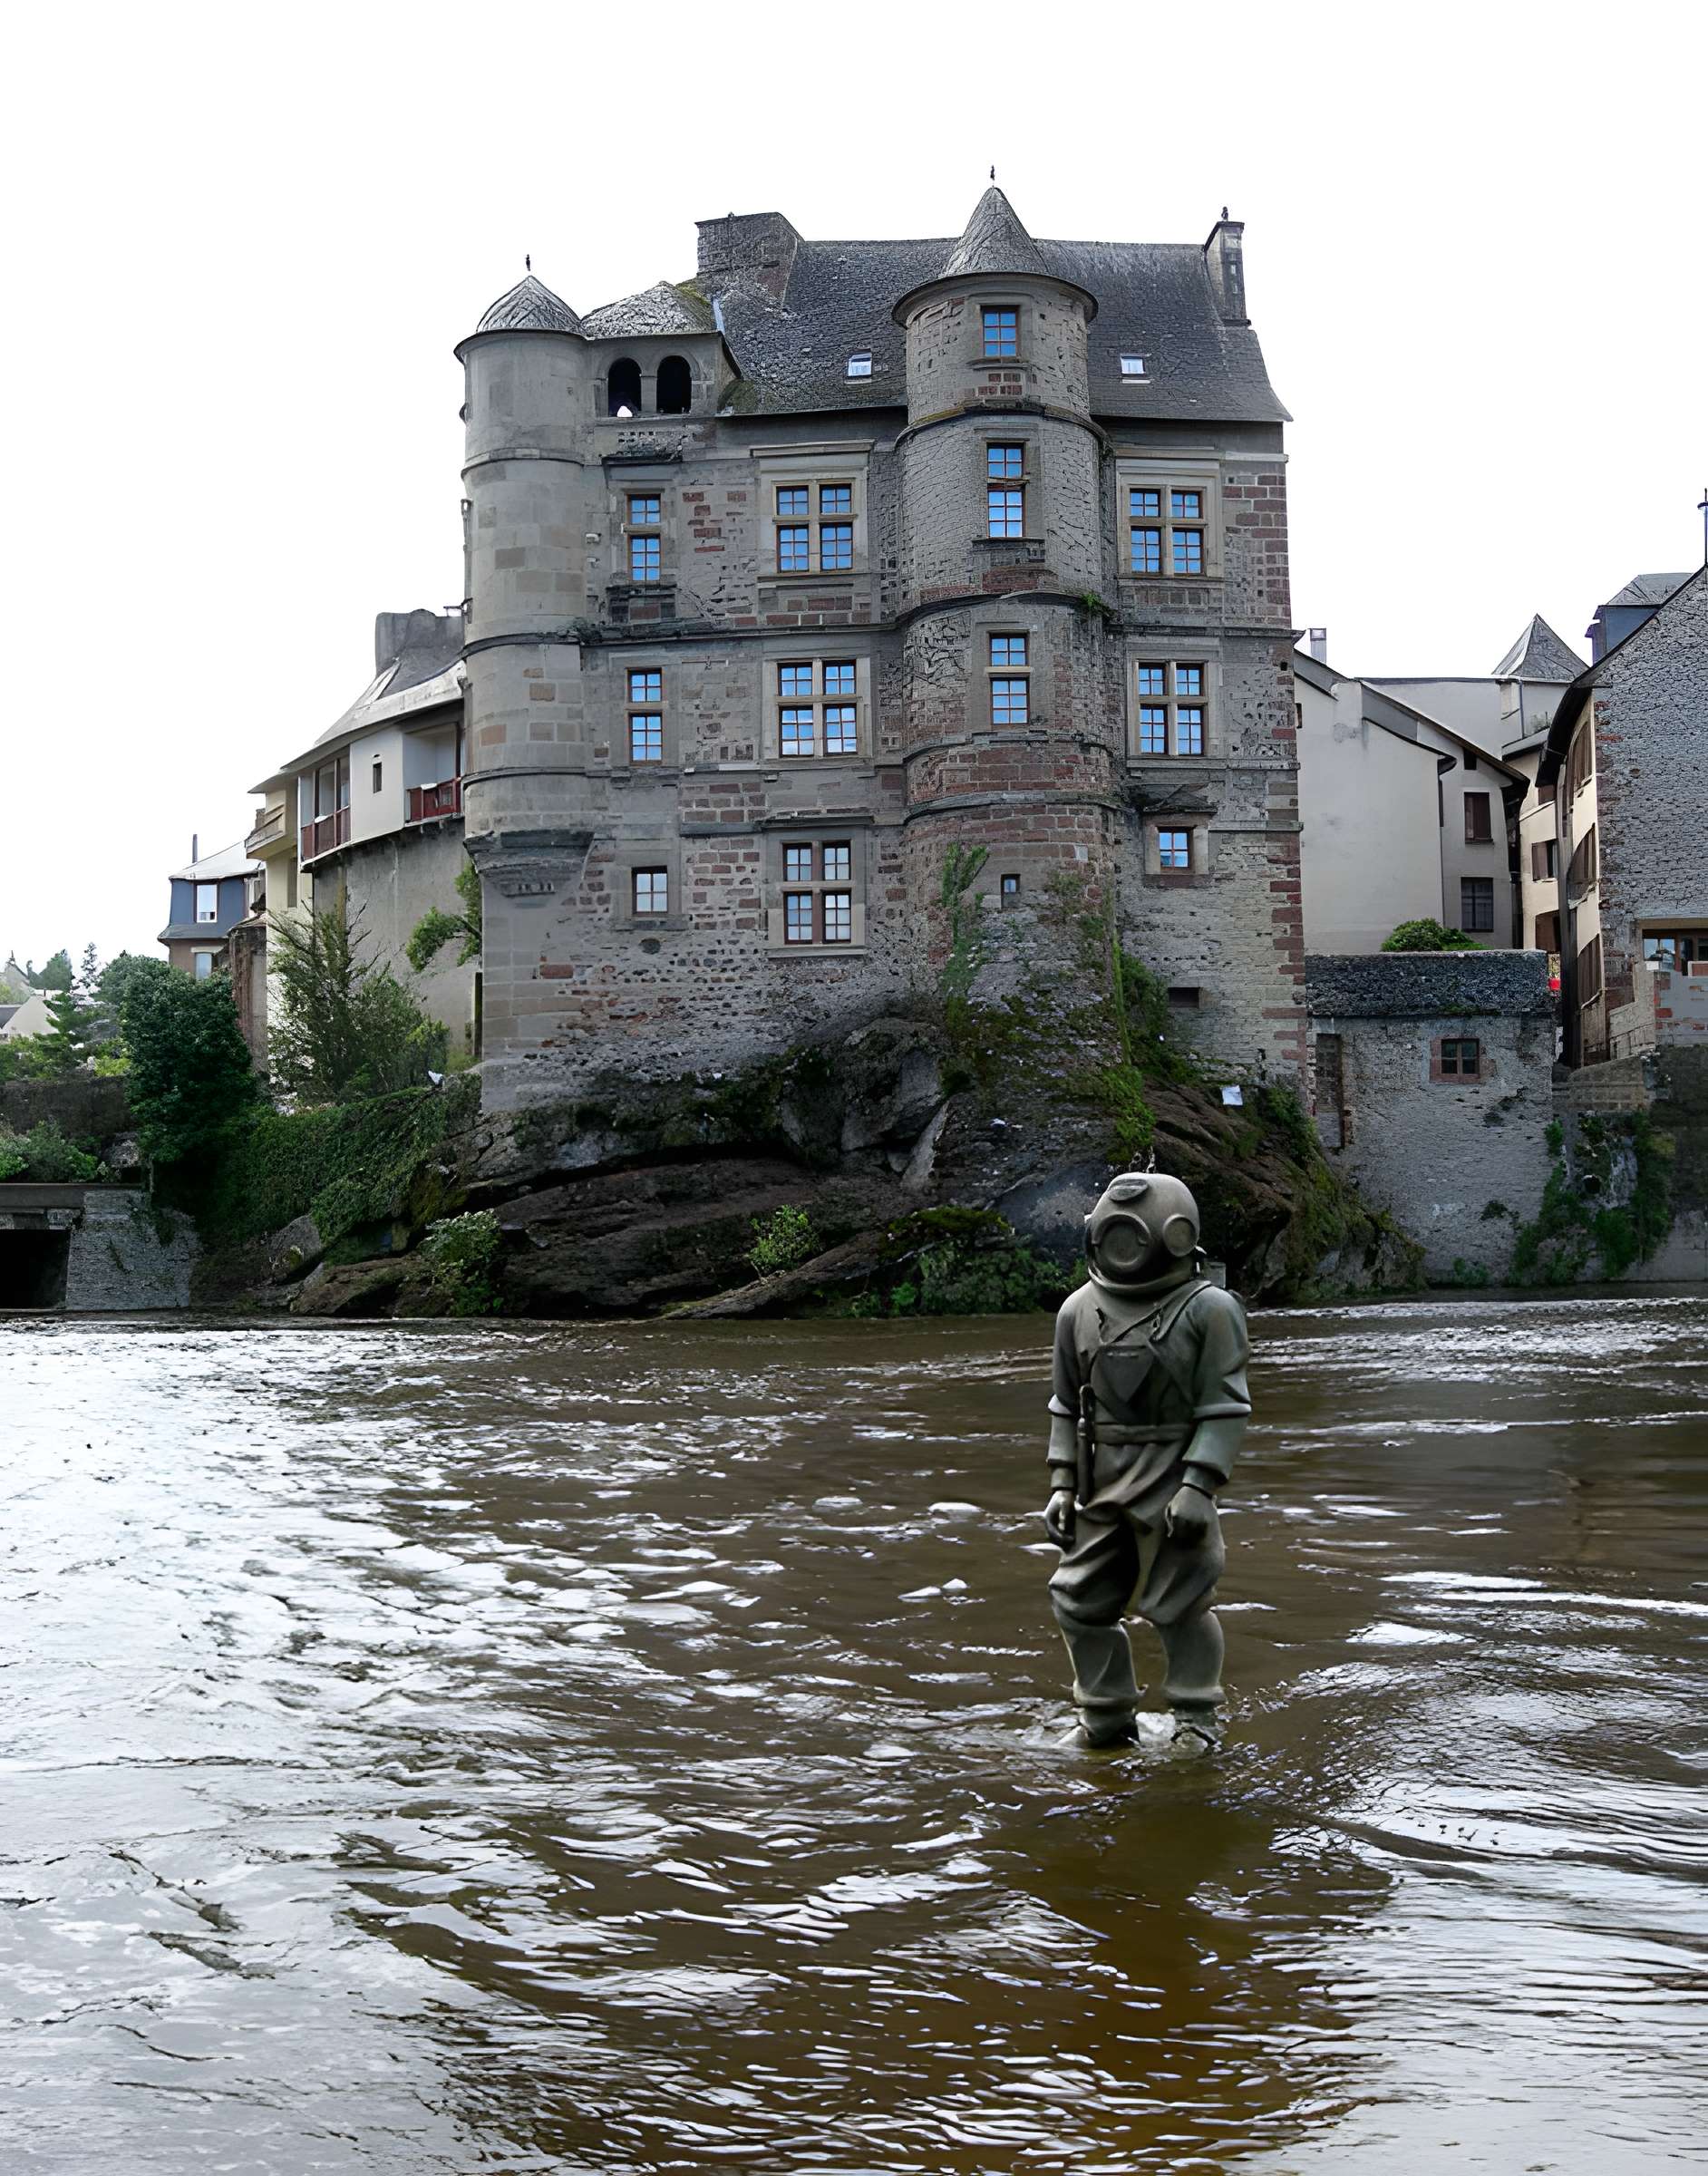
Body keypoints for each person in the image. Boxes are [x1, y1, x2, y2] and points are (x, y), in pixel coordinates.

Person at [1043, 1171, 1250, 1752]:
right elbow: (1065, 1405)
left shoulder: (1209, 1310)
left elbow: (1225, 1406)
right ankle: (1105, 1715)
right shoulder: (1077, 1311)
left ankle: (1195, 1719)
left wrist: (1199, 1485)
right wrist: (1062, 1483)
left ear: (1177, 1237)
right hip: (1100, 1478)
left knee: (1181, 1601)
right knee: (1078, 1598)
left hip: (1172, 1471)